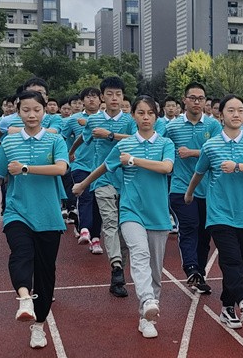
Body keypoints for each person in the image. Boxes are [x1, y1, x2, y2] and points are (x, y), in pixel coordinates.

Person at [74, 96, 174, 338]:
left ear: (156, 117)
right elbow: (105, 167)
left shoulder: (165, 143)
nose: (146, 117)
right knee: (139, 254)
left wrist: (133, 161)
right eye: (141, 113)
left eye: (150, 113)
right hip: (131, 211)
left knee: (155, 270)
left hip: (158, 214)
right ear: (133, 116)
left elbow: (166, 167)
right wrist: (84, 184)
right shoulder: (124, 145)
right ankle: (147, 299)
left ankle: (147, 317)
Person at [0, 91, 69, 349]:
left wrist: (25, 168)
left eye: (36, 110)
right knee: (21, 252)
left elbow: (61, 169)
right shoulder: (9, 143)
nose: (31, 114)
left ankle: (38, 325)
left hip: (49, 216)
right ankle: (25, 297)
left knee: (46, 273)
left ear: (44, 112)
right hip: (17, 211)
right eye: (26, 110)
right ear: (18, 112)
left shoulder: (55, 140)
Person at [185, 94, 243, 329]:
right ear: (221, 115)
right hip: (219, 213)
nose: (236, 114)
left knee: (238, 263)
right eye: (231, 110)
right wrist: (189, 193)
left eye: (240, 110)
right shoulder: (211, 146)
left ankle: (226, 307)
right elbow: (199, 173)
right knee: (231, 259)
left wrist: (238, 167)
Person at [69, 77, 136, 297]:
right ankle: (116, 267)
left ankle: (119, 271)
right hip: (102, 180)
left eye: (118, 94)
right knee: (110, 222)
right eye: (109, 94)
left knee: (124, 228)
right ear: (102, 97)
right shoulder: (93, 120)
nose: (114, 98)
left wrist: (110, 135)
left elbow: (137, 139)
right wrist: (72, 152)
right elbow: (84, 137)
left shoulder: (129, 120)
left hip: (127, 181)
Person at [164, 83, 222, 294]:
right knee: (189, 226)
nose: (197, 102)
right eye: (193, 98)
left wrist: (192, 152)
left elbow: (217, 152)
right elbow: (162, 147)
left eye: (201, 98)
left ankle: (200, 274)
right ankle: (190, 267)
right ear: (184, 100)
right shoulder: (172, 127)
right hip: (181, 187)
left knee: (205, 234)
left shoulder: (213, 126)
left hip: (207, 190)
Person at [66, 87, 103, 253]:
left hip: (101, 167)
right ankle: (85, 229)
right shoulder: (73, 119)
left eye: (94, 97)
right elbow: (63, 137)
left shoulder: (105, 119)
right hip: (81, 165)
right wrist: (69, 154)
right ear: (82, 101)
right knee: (85, 196)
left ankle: (95, 239)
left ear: (100, 99)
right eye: (88, 97)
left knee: (97, 201)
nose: (91, 100)